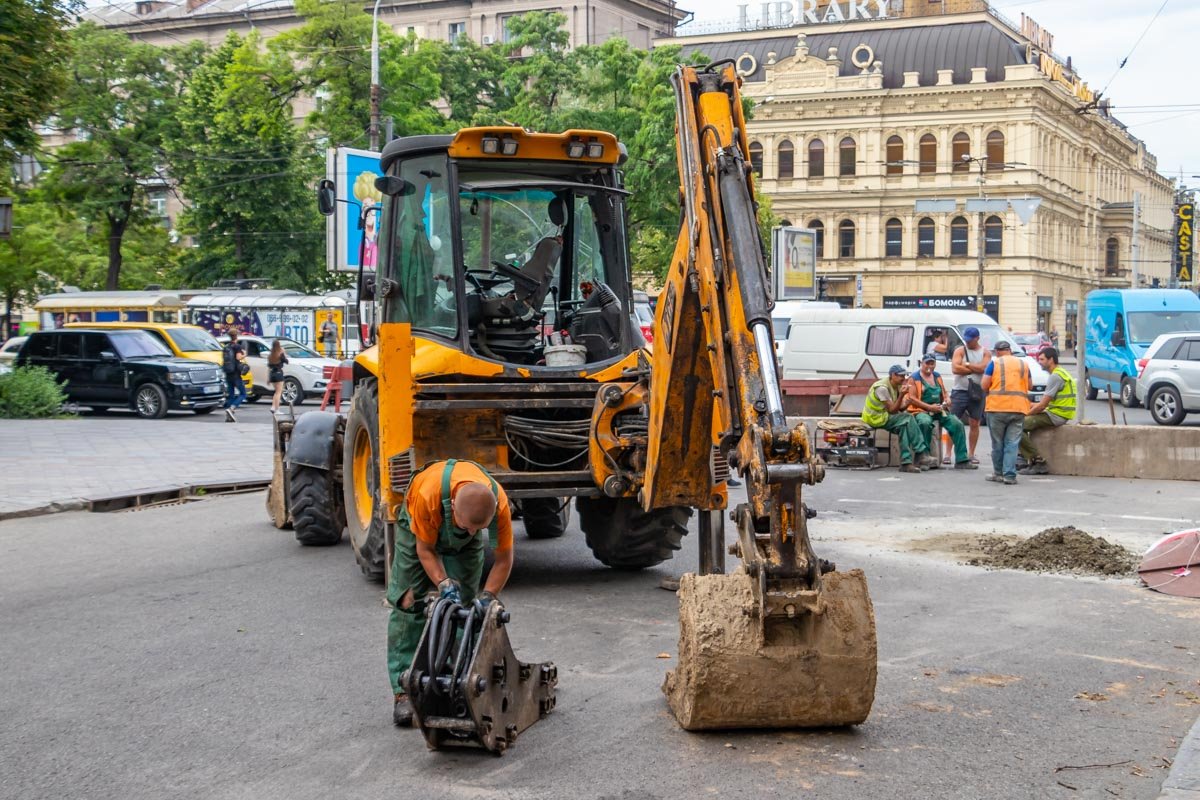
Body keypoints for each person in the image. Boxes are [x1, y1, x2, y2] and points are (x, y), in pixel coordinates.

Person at [388, 459, 514, 727]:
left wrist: (488, 595)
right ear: (454, 505)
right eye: (467, 526)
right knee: (409, 602)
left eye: (477, 530)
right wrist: (443, 582)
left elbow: (503, 560)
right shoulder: (427, 496)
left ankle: (463, 682)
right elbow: (426, 551)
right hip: (417, 529)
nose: (470, 532)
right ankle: (404, 691)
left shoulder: (499, 505)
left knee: (467, 610)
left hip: (461, 537)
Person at [906, 354, 977, 470]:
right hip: (921, 411)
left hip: (939, 410)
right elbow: (912, 398)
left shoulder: (937, 376)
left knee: (957, 424)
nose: (929, 366)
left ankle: (962, 460)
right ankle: (924, 459)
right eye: (927, 363)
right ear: (921, 363)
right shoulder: (914, 378)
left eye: (932, 363)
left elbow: (944, 393)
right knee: (924, 423)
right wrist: (929, 407)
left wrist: (947, 400)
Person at [862, 364, 932, 473]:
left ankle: (906, 463)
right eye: (901, 376)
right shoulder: (882, 388)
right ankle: (921, 452)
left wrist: (907, 402)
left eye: (904, 376)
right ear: (893, 375)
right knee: (908, 418)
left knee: (903, 427)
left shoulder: (897, 385)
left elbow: (899, 409)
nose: (903, 379)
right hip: (875, 418)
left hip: (886, 416)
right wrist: (901, 396)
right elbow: (892, 410)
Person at [1018, 347, 1075, 475]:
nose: (1040, 362)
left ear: (1051, 360)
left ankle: (1038, 462)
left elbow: (1042, 405)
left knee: (1017, 426)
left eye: (1042, 359)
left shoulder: (1055, 376)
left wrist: (1027, 412)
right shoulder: (1061, 372)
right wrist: (1031, 405)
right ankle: (1025, 458)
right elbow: (1047, 402)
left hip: (1057, 415)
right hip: (1059, 412)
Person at [981, 340, 1031, 485]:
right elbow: (1030, 385)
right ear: (1010, 350)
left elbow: (984, 385)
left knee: (998, 442)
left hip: (997, 408)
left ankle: (998, 473)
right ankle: (1009, 475)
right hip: (1018, 408)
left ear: (997, 351)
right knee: (1012, 443)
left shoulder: (994, 363)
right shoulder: (1024, 364)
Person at [950, 326, 991, 465]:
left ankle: (971, 453)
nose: (967, 343)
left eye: (970, 340)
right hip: (960, 390)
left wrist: (966, 364)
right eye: (965, 340)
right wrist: (974, 369)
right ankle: (947, 453)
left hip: (977, 391)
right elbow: (955, 368)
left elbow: (983, 368)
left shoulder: (985, 352)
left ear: (977, 338)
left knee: (975, 423)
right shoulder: (960, 350)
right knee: (952, 422)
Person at [222, 329, 247, 422]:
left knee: (231, 394)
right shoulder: (237, 347)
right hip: (236, 373)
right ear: (237, 336)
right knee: (243, 393)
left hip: (228, 372)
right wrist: (244, 354)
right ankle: (232, 408)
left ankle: (228, 416)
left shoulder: (226, 346)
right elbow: (238, 357)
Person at [266, 339, 289, 412]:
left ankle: (273, 406)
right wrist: (284, 353)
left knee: (276, 392)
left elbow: (269, 367)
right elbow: (286, 361)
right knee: (279, 392)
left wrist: (268, 378)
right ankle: (277, 409)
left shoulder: (270, 356)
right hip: (278, 373)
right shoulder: (280, 354)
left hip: (272, 374)